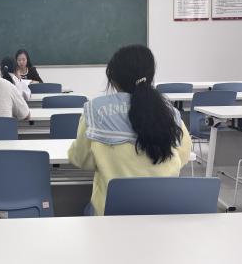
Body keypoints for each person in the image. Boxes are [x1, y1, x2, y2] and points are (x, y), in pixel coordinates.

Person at [68, 45, 192, 216]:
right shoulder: (169, 112)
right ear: (150, 76)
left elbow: (82, 160)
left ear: (113, 79)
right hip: (162, 213)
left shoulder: (94, 110)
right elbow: (183, 157)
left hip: (111, 215)